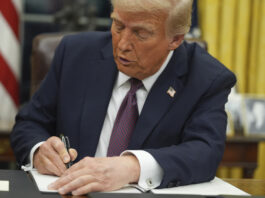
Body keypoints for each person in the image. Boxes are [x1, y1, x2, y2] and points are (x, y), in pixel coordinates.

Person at [10, 0, 236, 196]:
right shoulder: (75, 54)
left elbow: (205, 152)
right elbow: (29, 123)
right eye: (118, 25)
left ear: (175, 39)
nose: (122, 45)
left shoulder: (207, 79)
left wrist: (131, 167)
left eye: (140, 33)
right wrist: (39, 150)